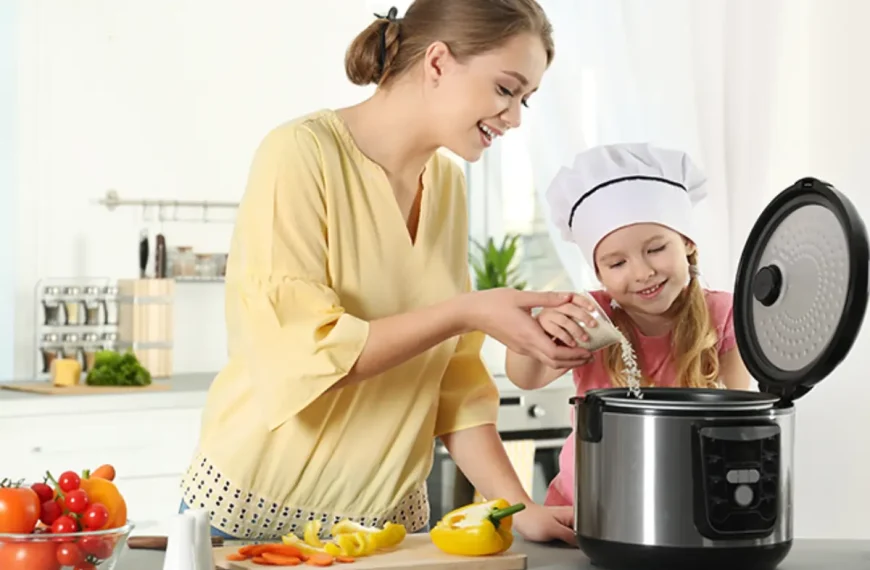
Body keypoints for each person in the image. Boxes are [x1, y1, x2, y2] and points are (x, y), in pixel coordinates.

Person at [178, 0, 591, 545]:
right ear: (438, 63)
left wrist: (518, 508)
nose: (515, 116)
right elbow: (307, 352)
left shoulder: (445, 186)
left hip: (391, 530)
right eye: (505, 90)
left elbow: (455, 383)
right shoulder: (301, 155)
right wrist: (468, 310)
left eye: (525, 100)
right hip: (251, 518)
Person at [504, 143, 753, 507]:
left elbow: (739, 415)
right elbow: (526, 378)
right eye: (617, 263)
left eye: (655, 249)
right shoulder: (591, 316)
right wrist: (535, 330)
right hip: (585, 506)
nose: (642, 272)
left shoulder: (724, 314)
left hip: (684, 504)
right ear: (599, 272)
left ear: (686, 242)